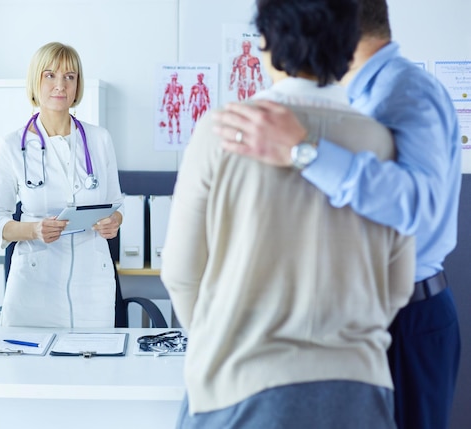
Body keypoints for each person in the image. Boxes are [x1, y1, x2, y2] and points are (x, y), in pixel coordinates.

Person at [160, 0, 414, 427]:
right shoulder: (381, 143)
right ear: (349, 43)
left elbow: (181, 273)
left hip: (241, 387)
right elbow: (397, 286)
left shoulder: (221, 131)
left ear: (264, 39)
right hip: (358, 393)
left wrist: (218, 342)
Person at [213, 1, 462, 428]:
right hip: (363, 315)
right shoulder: (361, 92)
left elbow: (421, 207)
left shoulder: (405, 89)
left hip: (408, 318)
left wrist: (303, 150)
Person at [0, 42, 124, 328]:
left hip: (93, 287)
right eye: (50, 75)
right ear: (35, 81)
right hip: (34, 286)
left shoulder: (99, 140)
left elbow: (116, 205)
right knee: (28, 370)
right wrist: (34, 230)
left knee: (93, 368)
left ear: (77, 85)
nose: (60, 85)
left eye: (69, 76)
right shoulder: (12, 145)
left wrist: (113, 221)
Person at [160, 72, 185, 144]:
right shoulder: (168, 85)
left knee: (177, 122)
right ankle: (171, 140)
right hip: (170, 104)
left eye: (175, 76)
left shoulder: (179, 85)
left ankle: (178, 140)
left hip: (176, 103)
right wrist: (162, 106)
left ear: (176, 77)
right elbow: (164, 96)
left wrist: (183, 106)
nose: (174, 77)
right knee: (170, 121)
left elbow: (182, 96)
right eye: (173, 76)